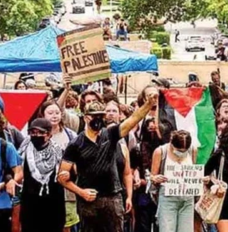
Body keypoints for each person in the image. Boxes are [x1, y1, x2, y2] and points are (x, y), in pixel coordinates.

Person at [58, 90, 157, 232]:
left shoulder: (110, 135)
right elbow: (62, 177)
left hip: (113, 197)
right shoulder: (75, 144)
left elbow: (132, 120)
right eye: (94, 117)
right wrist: (81, 192)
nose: (98, 119)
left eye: (101, 116)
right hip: (88, 200)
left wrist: (148, 105)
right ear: (86, 118)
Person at [20, 118, 65, 232]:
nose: (36, 135)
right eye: (33, 132)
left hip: (53, 206)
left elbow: (68, 174)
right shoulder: (24, 150)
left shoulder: (59, 152)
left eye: (41, 132)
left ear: (49, 134)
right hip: (30, 206)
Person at [150, 130, 197, 232]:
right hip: (168, 198)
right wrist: (155, 178)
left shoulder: (193, 150)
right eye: (179, 150)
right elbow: (152, 176)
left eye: (184, 150)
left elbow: (193, 172)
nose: (181, 153)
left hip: (187, 198)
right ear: (171, 142)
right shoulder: (160, 151)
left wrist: (200, 179)